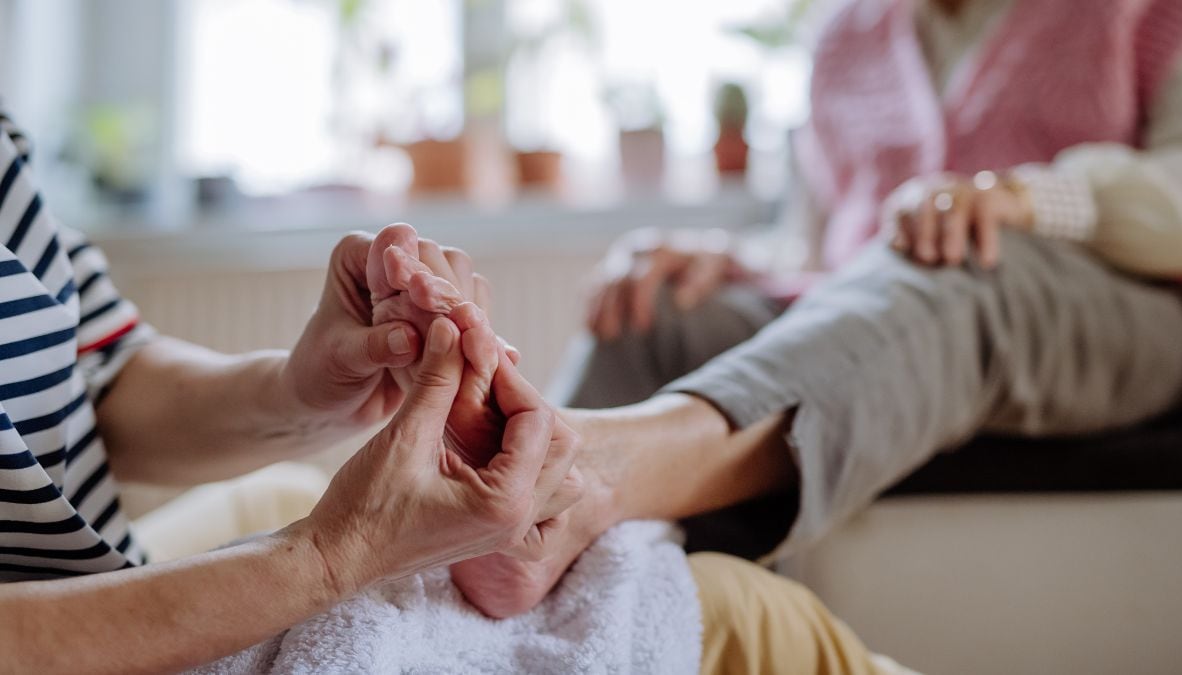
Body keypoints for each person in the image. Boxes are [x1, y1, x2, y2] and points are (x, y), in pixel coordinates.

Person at [392, 0, 1182, 649]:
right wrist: (728, 260)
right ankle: (482, 562)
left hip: (1121, 313)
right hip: (896, 295)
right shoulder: (850, 31)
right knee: (657, 309)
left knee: (953, 261)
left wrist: (1024, 199)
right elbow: (823, 245)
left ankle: (575, 481)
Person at [0, 108, 906, 671]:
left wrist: (306, 388)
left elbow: (100, 379)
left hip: (83, 576)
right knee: (747, 616)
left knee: (297, 494)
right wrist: (328, 557)